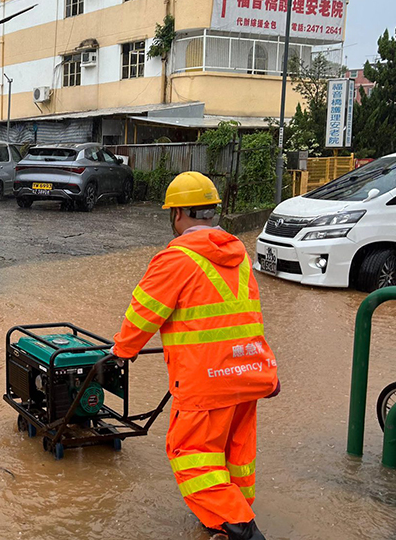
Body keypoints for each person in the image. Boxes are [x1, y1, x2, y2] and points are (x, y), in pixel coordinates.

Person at [111, 171, 280, 540]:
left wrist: (122, 351)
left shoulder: (175, 259)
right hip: (251, 374)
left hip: (207, 384)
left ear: (177, 215)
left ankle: (241, 528)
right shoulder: (238, 253)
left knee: (190, 456)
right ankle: (224, 521)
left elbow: (142, 315)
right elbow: (244, 319)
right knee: (236, 456)